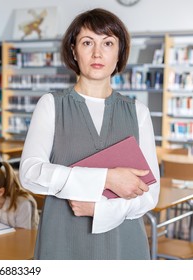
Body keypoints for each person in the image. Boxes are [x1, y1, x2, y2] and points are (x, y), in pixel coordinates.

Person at [19, 8, 160, 259]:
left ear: (119, 52)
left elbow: (150, 194)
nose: (97, 53)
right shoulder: (51, 104)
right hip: (63, 240)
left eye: (107, 43)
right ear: (74, 50)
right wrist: (106, 179)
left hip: (123, 243)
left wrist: (101, 210)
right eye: (87, 42)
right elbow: (30, 174)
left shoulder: (138, 112)